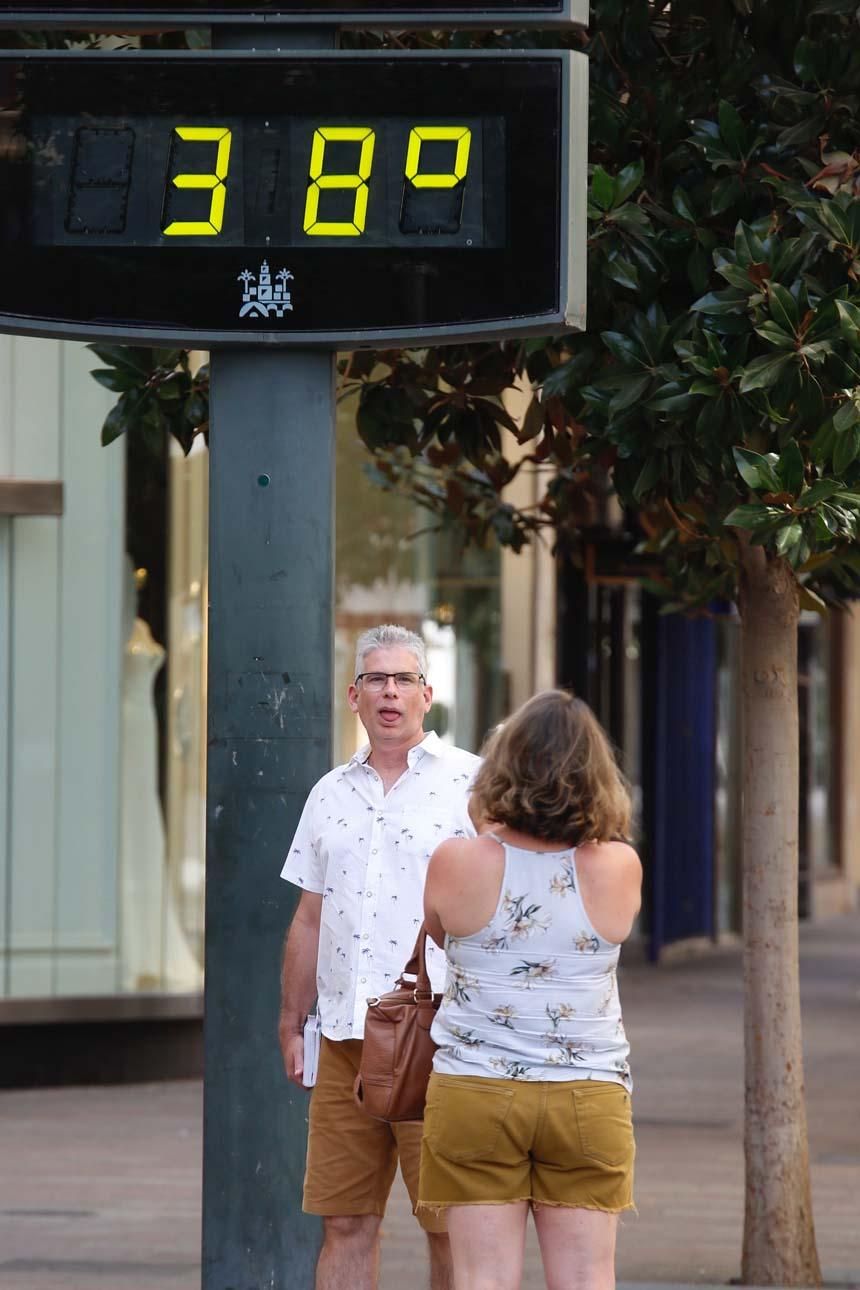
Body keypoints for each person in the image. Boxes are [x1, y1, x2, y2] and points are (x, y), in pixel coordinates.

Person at [279, 623, 480, 1290]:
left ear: (427, 693)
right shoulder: (328, 794)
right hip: (343, 1042)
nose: (388, 691)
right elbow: (309, 917)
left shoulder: (471, 785)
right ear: (353, 696)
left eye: (401, 680)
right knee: (343, 1224)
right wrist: (291, 1018)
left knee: (452, 1226)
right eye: (375, 680)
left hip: (440, 1040)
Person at [419, 690, 641, 1290]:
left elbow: (437, 935)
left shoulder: (455, 863)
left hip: (476, 1088)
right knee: (588, 1279)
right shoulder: (619, 866)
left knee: (481, 1279)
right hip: (588, 1094)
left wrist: (485, 817)